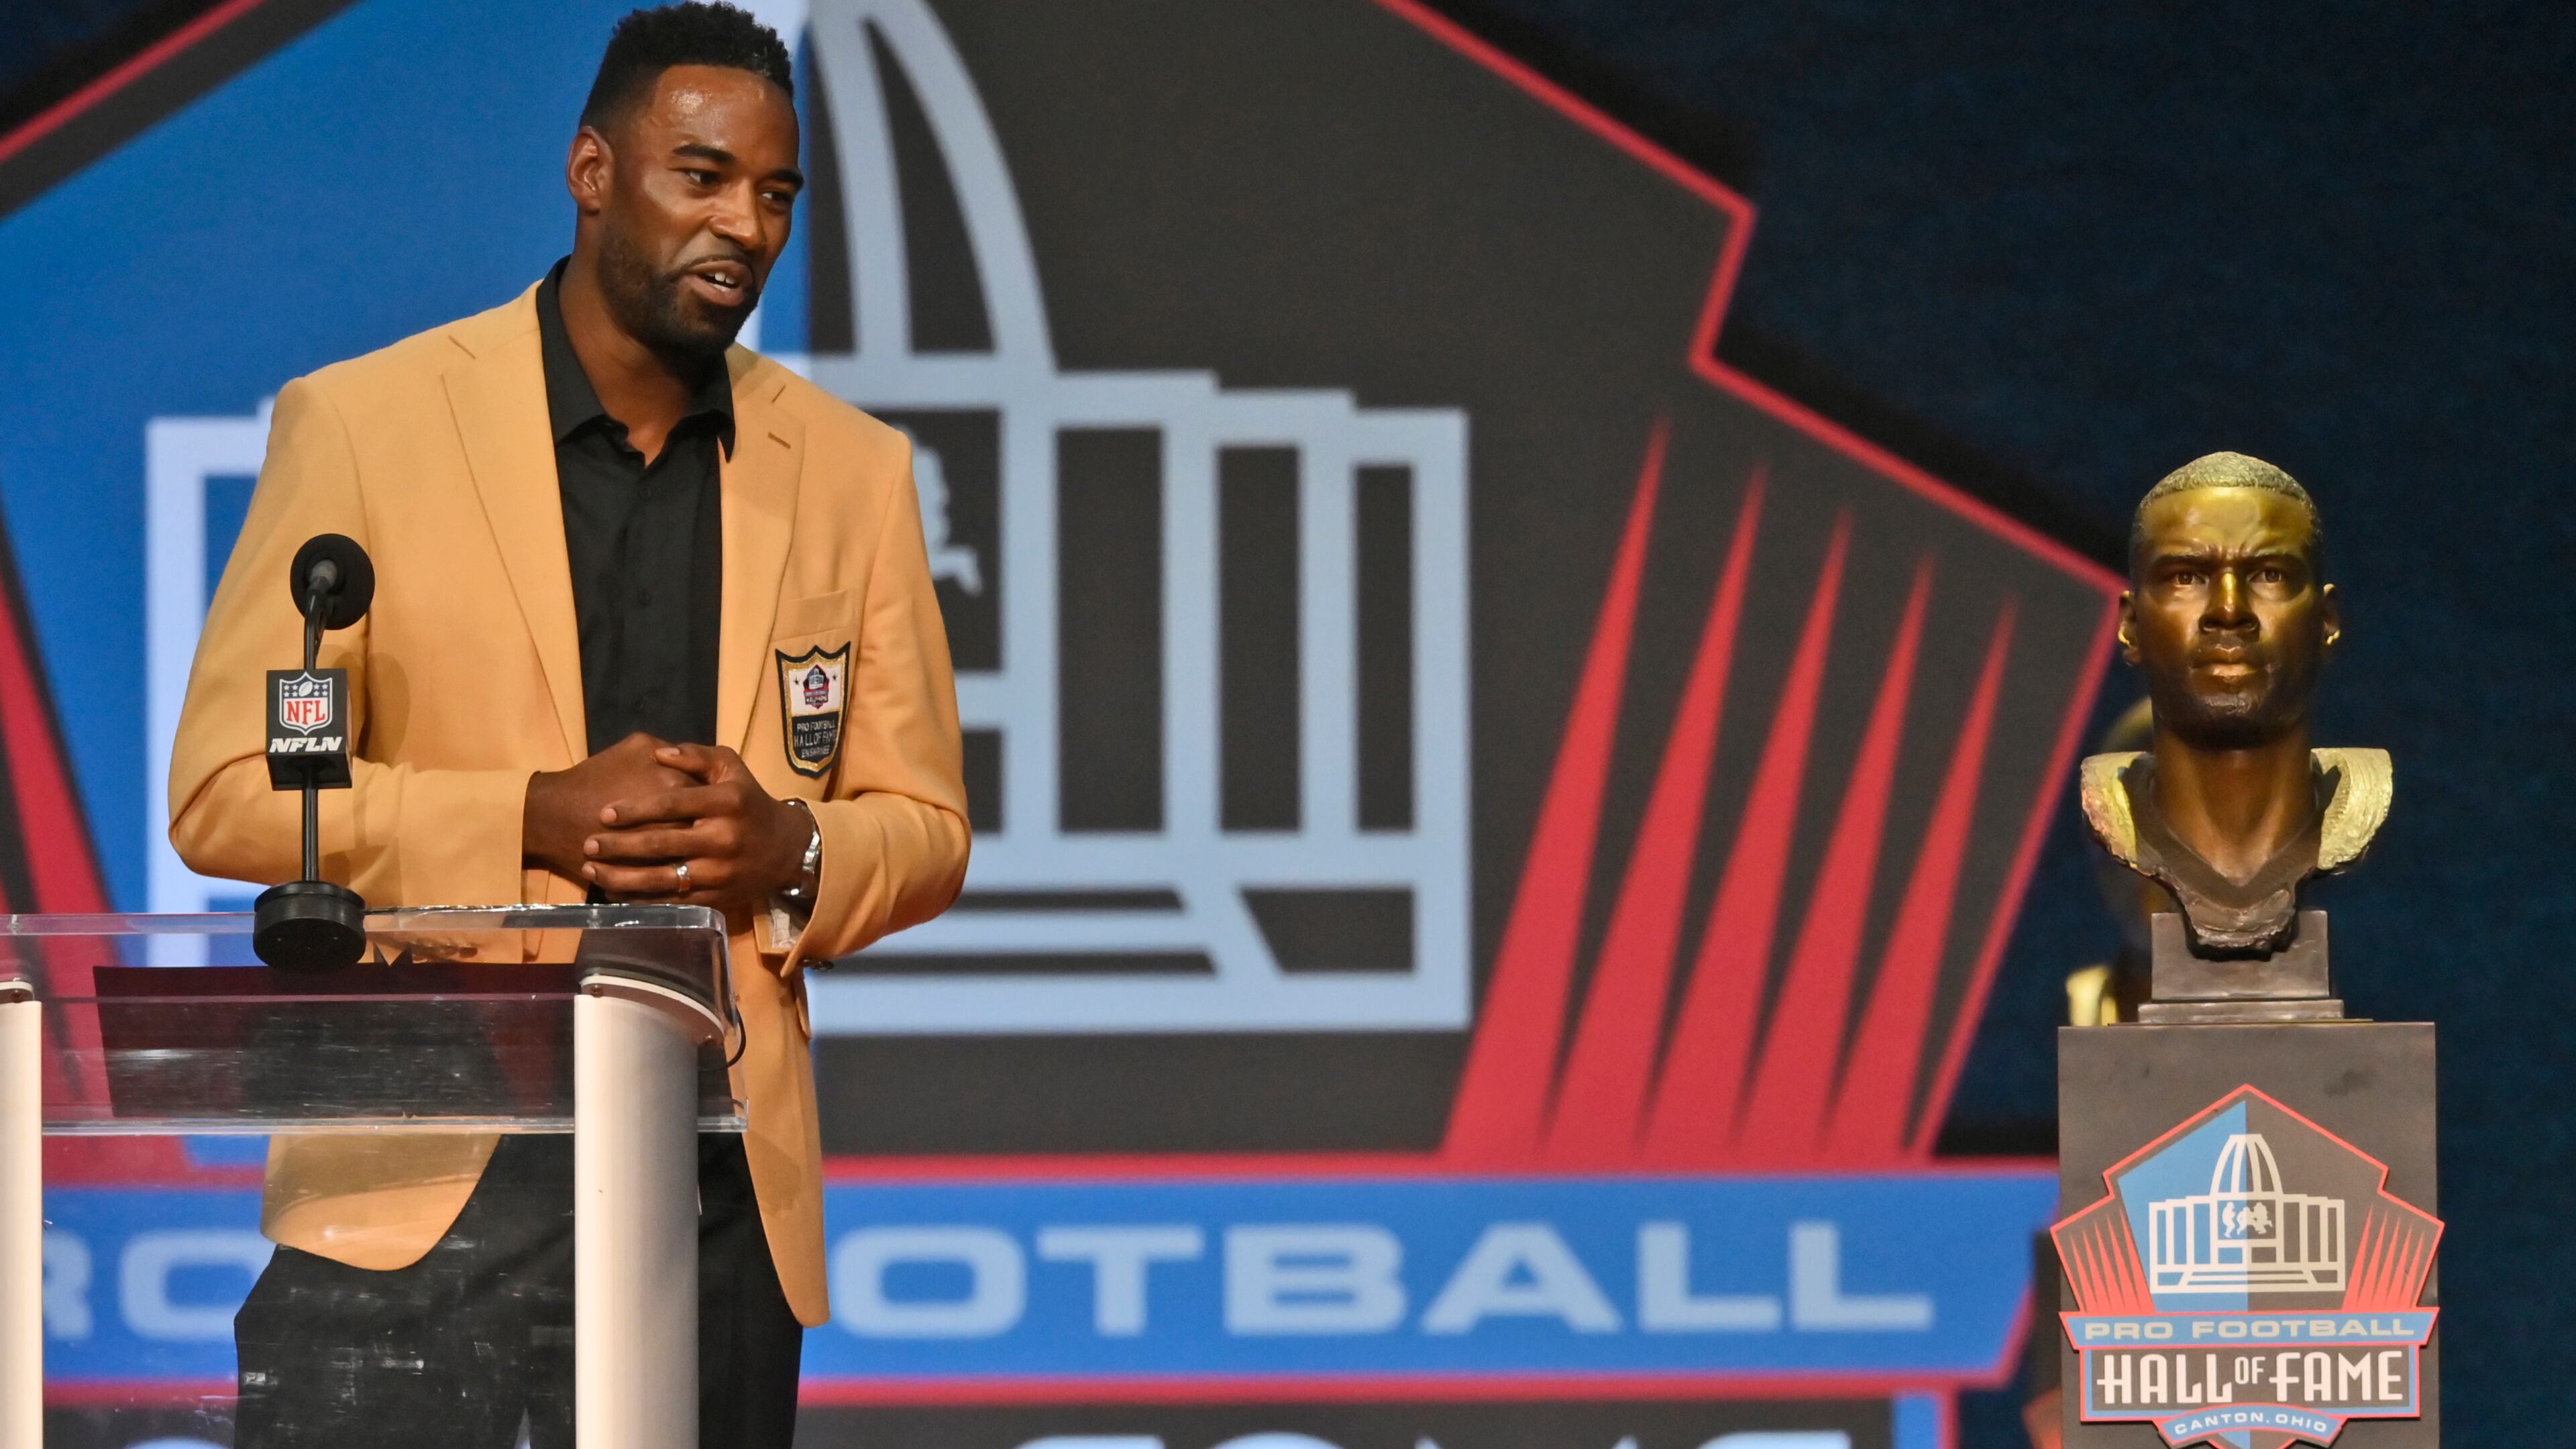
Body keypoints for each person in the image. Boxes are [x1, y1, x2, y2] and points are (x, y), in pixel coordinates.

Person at [166, 5, 970, 1445]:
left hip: (714, 1190)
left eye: (776, 195)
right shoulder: (368, 426)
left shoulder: (851, 472)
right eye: (702, 177)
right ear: (594, 172)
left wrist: (783, 845)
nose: (744, 225)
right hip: (424, 1182)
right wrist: (530, 816)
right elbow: (232, 791)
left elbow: (924, 828)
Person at [2079, 451, 2388, 957]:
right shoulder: (2112, 807)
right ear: (2131, 625)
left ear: (2326, 622)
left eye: (2269, 575)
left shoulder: (2358, 804)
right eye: (2185, 577)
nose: (2228, 610)